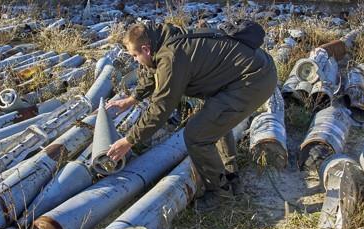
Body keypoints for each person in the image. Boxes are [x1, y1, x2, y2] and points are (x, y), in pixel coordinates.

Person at [106, 22, 277, 212]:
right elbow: (152, 70)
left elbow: (161, 107)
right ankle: (230, 175)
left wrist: (129, 140)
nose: (135, 61)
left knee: (197, 135)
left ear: (146, 49)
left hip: (253, 80)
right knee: (213, 122)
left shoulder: (171, 57)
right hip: (251, 71)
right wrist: (131, 99)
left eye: (135, 56)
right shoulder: (162, 39)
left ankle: (220, 194)